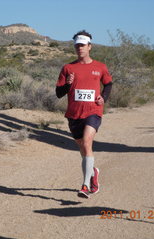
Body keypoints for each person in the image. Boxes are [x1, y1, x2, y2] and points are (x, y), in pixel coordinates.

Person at [56, 30, 113, 198]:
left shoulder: (100, 67)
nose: (80, 48)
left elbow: (108, 84)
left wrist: (104, 98)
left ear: (90, 47)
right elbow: (59, 93)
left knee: (87, 142)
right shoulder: (68, 68)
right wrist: (67, 85)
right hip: (74, 114)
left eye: (83, 45)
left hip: (93, 111)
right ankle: (93, 172)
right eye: (77, 46)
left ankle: (85, 185)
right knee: (83, 147)